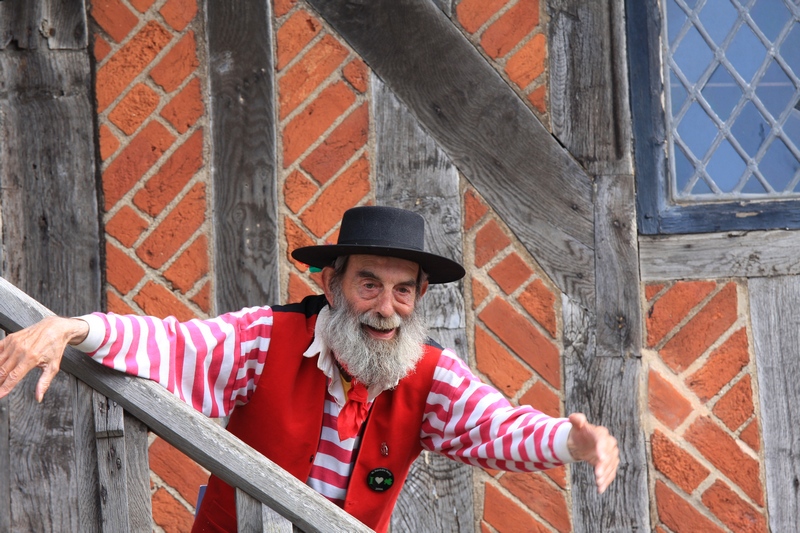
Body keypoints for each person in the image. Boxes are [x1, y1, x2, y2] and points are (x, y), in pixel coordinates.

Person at [0, 205, 618, 532]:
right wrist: (77, 328)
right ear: (331, 282)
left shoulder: (430, 374)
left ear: (420, 299)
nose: (385, 308)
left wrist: (570, 440)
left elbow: (496, 428)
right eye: (369, 284)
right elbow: (173, 346)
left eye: (403, 292)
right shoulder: (265, 338)